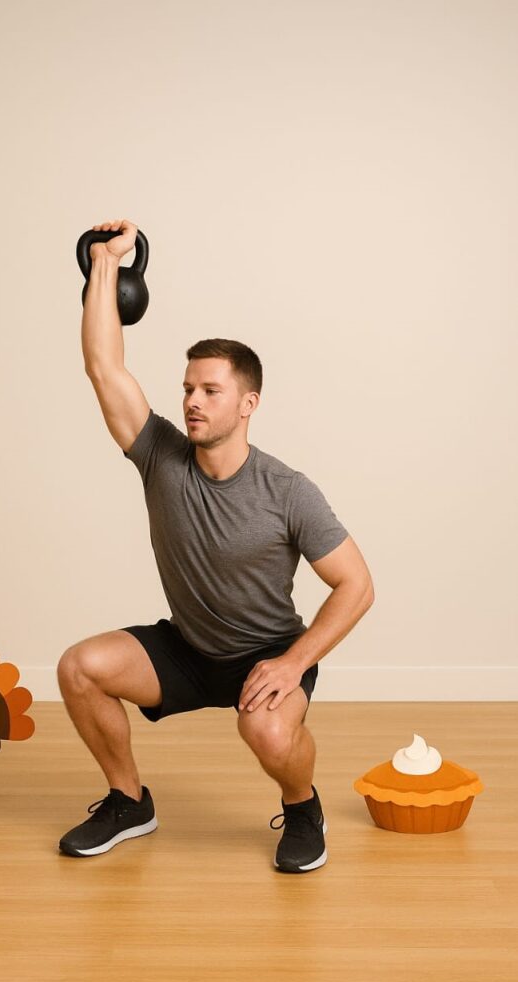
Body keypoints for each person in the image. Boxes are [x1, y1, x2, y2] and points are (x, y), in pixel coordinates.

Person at [58, 218, 375, 872]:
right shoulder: (161, 458)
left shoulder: (287, 491)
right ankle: (128, 802)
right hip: (188, 647)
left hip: (267, 652)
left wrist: (293, 664)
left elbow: (358, 585)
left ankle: (301, 806)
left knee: (262, 728)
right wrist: (103, 265)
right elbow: (102, 365)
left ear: (248, 403)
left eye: (210, 391)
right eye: (188, 389)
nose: (193, 402)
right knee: (80, 667)